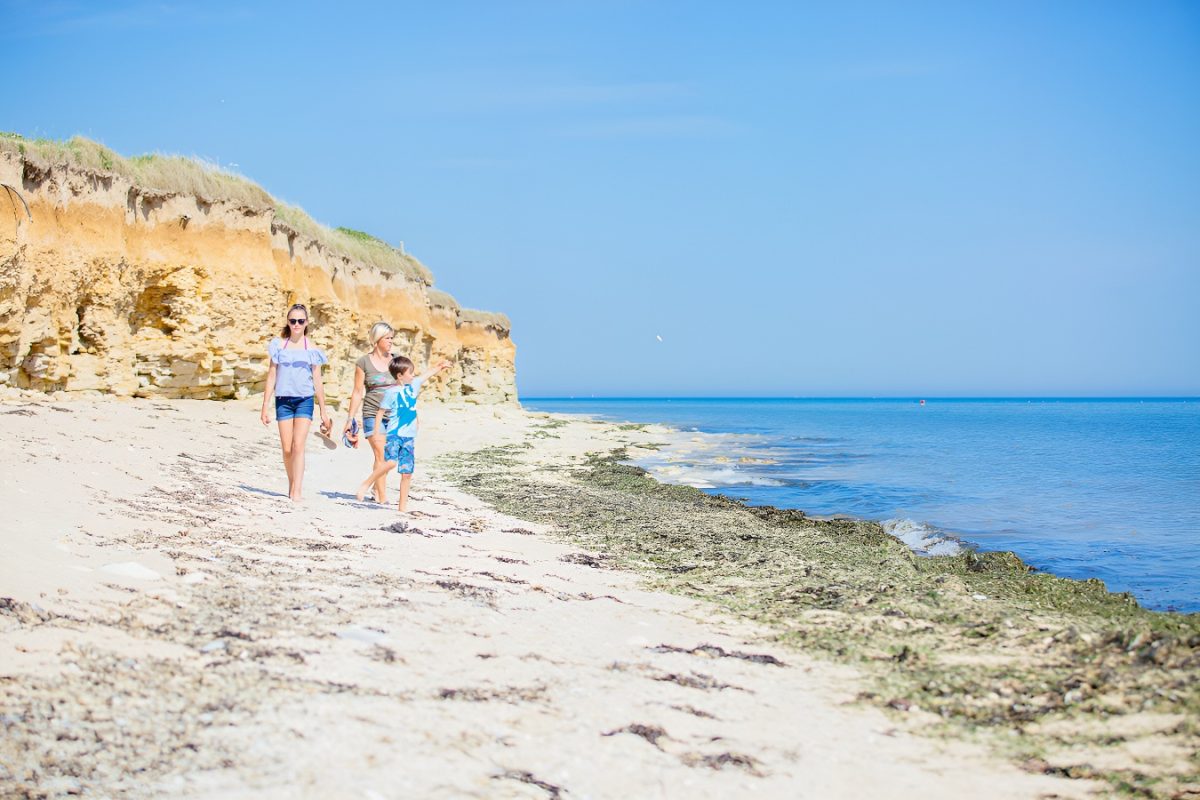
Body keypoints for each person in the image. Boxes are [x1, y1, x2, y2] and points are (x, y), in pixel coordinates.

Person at [356, 355, 451, 512]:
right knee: (391, 463)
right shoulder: (391, 392)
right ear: (400, 376)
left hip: (409, 436)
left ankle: (402, 509)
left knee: (407, 473)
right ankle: (366, 484)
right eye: (410, 373)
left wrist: (439, 367)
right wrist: (377, 431)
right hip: (394, 433)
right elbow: (380, 412)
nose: (413, 376)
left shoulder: (414, 386)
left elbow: (426, 375)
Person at [260, 303, 332, 502]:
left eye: (300, 321)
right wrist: (265, 406)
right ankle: (292, 483)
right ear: (288, 322)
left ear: (306, 322)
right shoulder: (278, 346)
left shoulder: (312, 349)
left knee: (298, 445)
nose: (296, 324)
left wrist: (323, 411)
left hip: (304, 400)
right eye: (293, 321)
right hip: (283, 400)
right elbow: (272, 375)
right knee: (287, 449)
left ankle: (297, 491)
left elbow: (317, 381)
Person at [342, 322, 397, 502]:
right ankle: (382, 497)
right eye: (387, 338)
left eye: (392, 338)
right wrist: (350, 419)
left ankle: (374, 488)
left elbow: (406, 388)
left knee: (390, 457)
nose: (391, 341)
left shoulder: (397, 361)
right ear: (377, 339)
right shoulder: (363, 362)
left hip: (395, 415)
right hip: (372, 413)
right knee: (381, 454)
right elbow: (358, 392)